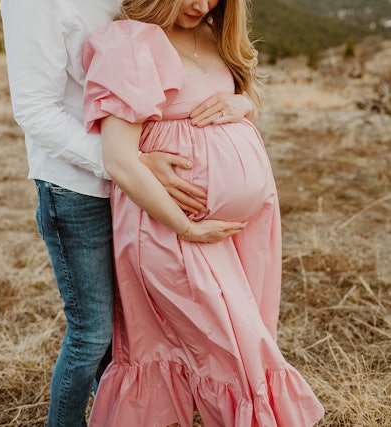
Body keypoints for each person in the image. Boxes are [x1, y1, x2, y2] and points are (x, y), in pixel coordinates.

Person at [0, 1, 254, 426]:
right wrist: (128, 160)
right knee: (92, 334)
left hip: (138, 191)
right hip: (78, 188)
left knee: (130, 332)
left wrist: (241, 102)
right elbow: (34, 109)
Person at [82, 0, 325, 426]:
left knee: (241, 348)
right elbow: (119, 160)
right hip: (171, 228)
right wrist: (187, 227)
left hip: (242, 232)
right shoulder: (133, 42)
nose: (201, 4)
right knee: (239, 354)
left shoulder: (215, 35)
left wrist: (243, 105)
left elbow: (236, 97)